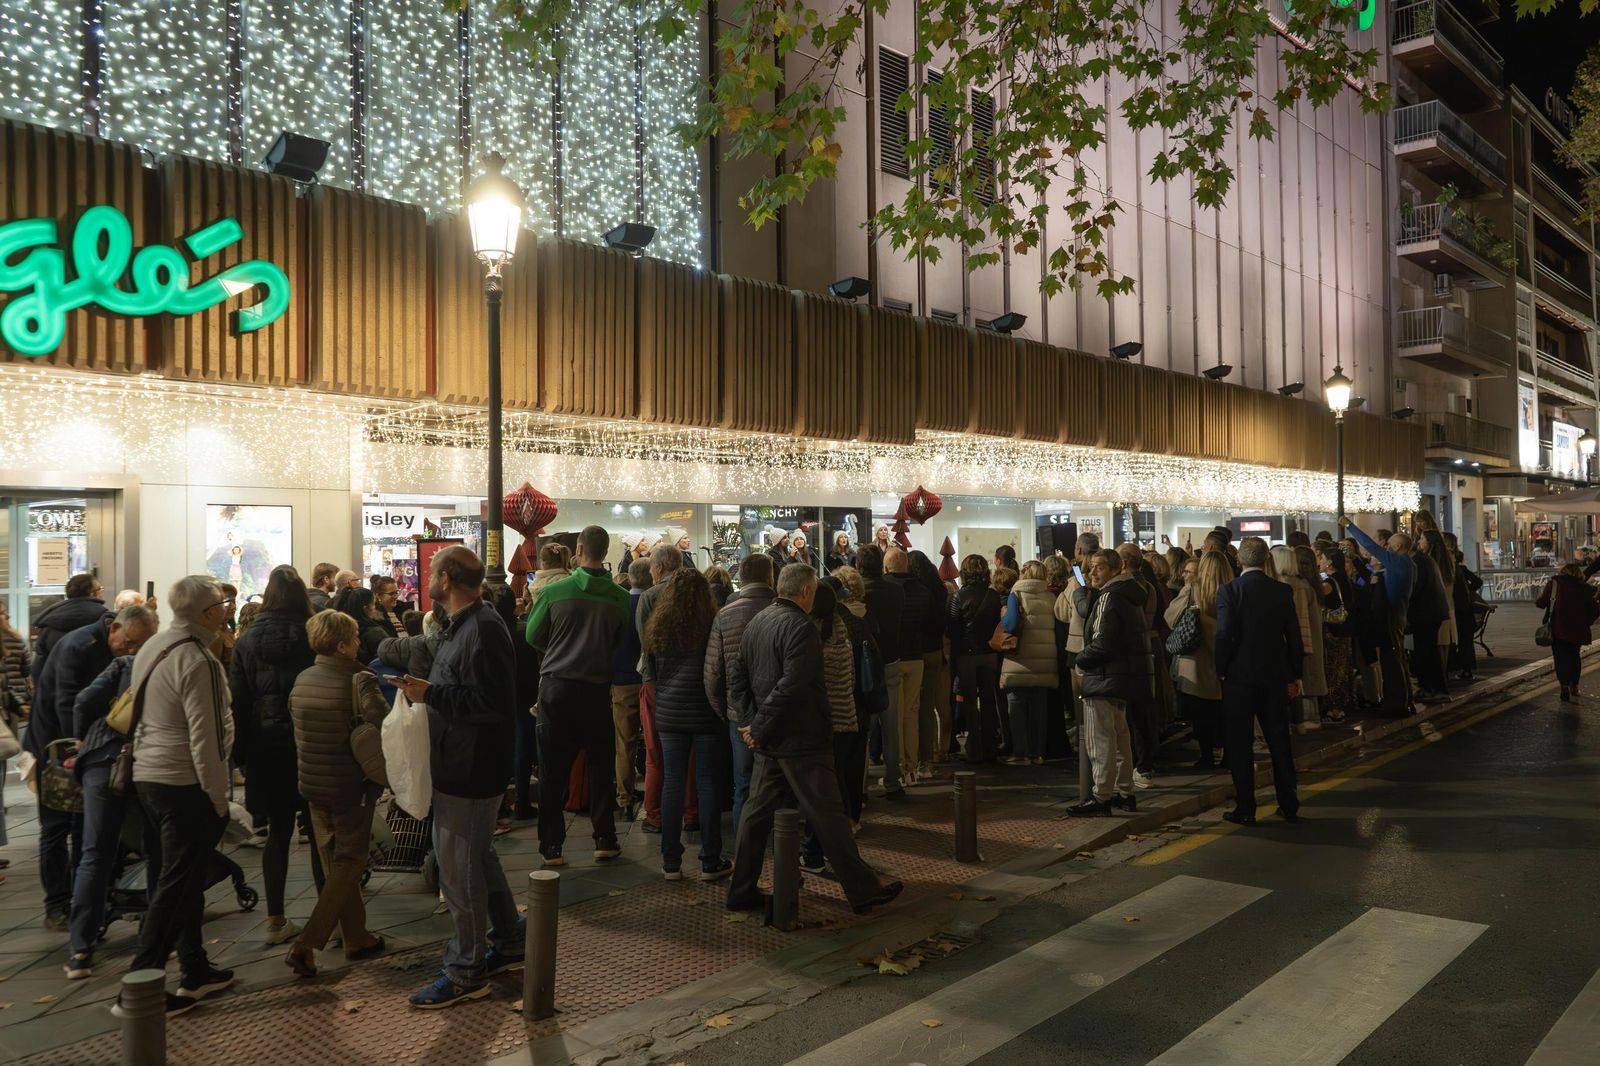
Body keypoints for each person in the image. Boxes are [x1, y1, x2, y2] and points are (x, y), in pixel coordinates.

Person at [725, 564, 902, 916]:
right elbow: (793, 684)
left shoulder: (758, 622)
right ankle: (863, 890)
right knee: (828, 815)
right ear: (806, 592)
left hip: (772, 740)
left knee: (756, 814)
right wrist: (757, 726)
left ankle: (741, 889)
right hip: (800, 737)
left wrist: (750, 723)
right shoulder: (800, 626)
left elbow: (737, 676)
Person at [396, 547, 523, 1009]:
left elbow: (491, 704)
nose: (426, 576)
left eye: (432, 570)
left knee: (459, 870)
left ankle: (466, 970)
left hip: (470, 768)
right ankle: (509, 940)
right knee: (477, 858)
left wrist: (432, 694)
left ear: (447, 578)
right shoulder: (468, 625)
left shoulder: (483, 629)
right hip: (461, 761)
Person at [122, 575, 237, 1016]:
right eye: (223, 604)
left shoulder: (156, 645)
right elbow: (204, 741)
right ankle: (139, 984)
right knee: (175, 883)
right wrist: (218, 799)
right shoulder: (197, 659)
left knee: (182, 878)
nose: (228, 609)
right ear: (208, 613)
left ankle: (195, 968)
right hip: (181, 782)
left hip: (149, 776)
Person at [28, 602, 158, 931]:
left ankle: (82, 903)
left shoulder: (109, 648)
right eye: (128, 644)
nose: (130, 651)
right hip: (56, 748)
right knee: (56, 826)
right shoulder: (77, 646)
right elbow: (68, 702)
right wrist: (79, 748)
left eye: (139, 646)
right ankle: (57, 904)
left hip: (88, 747)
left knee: (83, 829)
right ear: (113, 627)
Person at [283, 610, 391, 977]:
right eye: (356, 637)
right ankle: (307, 944)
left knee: (335, 863)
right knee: (350, 862)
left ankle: (356, 936)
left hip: (313, 785)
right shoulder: (360, 680)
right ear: (343, 645)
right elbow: (383, 723)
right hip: (351, 787)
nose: (360, 642)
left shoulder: (302, 679)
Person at [524, 527, 631, 868]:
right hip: (598, 688)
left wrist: (559, 648)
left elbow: (532, 635)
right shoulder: (619, 597)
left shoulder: (555, 592)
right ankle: (604, 838)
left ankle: (552, 846)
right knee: (601, 768)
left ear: (579, 549)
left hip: (557, 688)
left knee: (554, 769)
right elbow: (618, 639)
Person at [228, 565, 320, 947]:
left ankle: (276, 918)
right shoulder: (311, 634)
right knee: (320, 832)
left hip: (267, 747)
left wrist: (241, 756)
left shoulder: (247, 641)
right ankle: (330, 915)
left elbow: (239, 701)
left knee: (278, 835)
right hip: (310, 743)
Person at [643, 568, 731, 881]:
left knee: (672, 782)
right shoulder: (713, 623)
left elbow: (651, 671)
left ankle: (670, 862)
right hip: (706, 714)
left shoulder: (660, 626)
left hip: (669, 716)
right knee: (707, 783)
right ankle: (710, 859)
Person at [1214, 537, 1303, 827]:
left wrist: (1221, 668)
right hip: (1275, 674)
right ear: (1267, 560)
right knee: (1279, 739)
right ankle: (1288, 802)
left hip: (1239, 675)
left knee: (1240, 743)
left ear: (1239, 559)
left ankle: (1246, 806)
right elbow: (1294, 636)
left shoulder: (1230, 591)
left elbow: (1224, 633)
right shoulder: (1281, 591)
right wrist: (1295, 673)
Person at [1067, 550, 1143, 816]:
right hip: (1121, 677)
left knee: (1101, 740)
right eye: (1091, 568)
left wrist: (1081, 659)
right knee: (1121, 739)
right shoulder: (1128, 595)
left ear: (1115, 569)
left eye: (1099, 567)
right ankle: (1126, 792)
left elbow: (1102, 641)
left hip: (1103, 676)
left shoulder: (1109, 597)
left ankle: (1100, 797)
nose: (1093, 573)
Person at [704, 553, 776, 832]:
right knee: (781, 782)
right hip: (779, 711)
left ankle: (745, 843)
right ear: (770, 577)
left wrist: (725, 710)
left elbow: (712, 673)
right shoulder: (784, 610)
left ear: (741, 580)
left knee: (743, 783)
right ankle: (782, 843)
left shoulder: (725, 614)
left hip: (739, 714)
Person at [633, 544, 689, 834]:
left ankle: (655, 814)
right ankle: (691, 813)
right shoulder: (695, 593)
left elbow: (646, 644)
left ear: (658, 568)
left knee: (656, 753)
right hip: (693, 683)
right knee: (690, 753)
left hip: (657, 683)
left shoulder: (650, 596)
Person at [1341, 519, 1416, 709]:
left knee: (1391, 661)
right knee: (1396, 659)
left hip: (1391, 615)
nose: (1386, 548)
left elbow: (1370, 546)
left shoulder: (1399, 561)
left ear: (1398, 547)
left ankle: (1396, 702)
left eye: (1389, 545)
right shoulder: (1407, 564)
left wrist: (1349, 525)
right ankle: (1404, 699)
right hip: (1397, 613)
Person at [1166, 552, 1225, 769]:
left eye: (1192, 571)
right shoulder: (1230, 590)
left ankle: (1207, 755)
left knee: (1201, 711)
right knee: (1220, 709)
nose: (1186, 575)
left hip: (1196, 658)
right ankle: (1225, 754)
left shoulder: (1194, 591)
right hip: (1220, 658)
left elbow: (1170, 618)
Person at [857, 545, 907, 796]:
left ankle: (861, 786)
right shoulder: (896, 591)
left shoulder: (857, 592)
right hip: (891, 660)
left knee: (863, 726)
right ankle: (893, 782)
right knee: (891, 726)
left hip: (864, 664)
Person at [999, 560, 1058, 766]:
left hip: (1021, 660)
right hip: (1046, 659)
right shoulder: (1051, 597)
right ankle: (1038, 753)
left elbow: (1011, 624)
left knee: (1016, 707)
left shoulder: (1016, 595)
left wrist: (1004, 614)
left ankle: (1020, 752)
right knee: (1039, 709)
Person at [949, 555, 1002, 763]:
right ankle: (990, 748)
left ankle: (974, 749)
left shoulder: (959, 597)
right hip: (989, 653)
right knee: (989, 702)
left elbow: (953, 627)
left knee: (970, 704)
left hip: (966, 655)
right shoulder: (993, 595)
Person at [884, 548, 928, 785]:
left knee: (895, 714)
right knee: (912, 712)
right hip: (916, 656)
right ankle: (912, 768)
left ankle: (899, 768)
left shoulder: (885, 589)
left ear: (886, 567)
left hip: (894, 657)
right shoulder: (922, 591)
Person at [611, 558, 651, 821]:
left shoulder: (618, 606)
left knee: (624, 744)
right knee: (654, 742)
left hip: (622, 681)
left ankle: (625, 799)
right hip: (650, 682)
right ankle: (654, 798)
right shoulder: (655, 605)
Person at [1270, 545, 1322, 734]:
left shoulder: (1293, 586)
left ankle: (1301, 720)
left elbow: (1299, 620)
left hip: (1293, 643)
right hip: (1294, 642)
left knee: (1296, 683)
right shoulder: (1297, 584)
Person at [909, 551, 951, 771]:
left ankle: (921, 756)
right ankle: (934, 753)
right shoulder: (940, 591)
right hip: (936, 651)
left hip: (919, 652)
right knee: (933, 706)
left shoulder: (915, 592)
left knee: (915, 707)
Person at [1536, 562, 1599, 702]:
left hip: (1558, 628)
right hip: (1577, 630)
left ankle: (1563, 685)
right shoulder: (1583, 588)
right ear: (1578, 574)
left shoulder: (1554, 585)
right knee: (1574, 657)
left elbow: (1540, 603)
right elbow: (1594, 609)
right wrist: (1587, 621)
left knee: (1560, 658)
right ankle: (1574, 685)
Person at [30, 572, 106, 680]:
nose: (101, 594)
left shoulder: (49, 619)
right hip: (90, 685)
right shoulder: (102, 618)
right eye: (100, 590)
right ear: (92, 594)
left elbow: (39, 665)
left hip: (55, 685)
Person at [1314, 544, 1358, 722]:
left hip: (1333, 630)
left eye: (1322, 558)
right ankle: (1342, 704)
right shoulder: (1344, 579)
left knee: (1333, 669)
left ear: (1330, 562)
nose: (1320, 562)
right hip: (1345, 630)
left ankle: (1334, 708)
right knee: (1343, 667)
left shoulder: (1329, 583)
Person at [329, 586, 387, 663]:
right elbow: (387, 656)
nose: (375, 608)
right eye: (373, 604)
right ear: (365, 608)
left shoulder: (340, 630)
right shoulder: (375, 633)